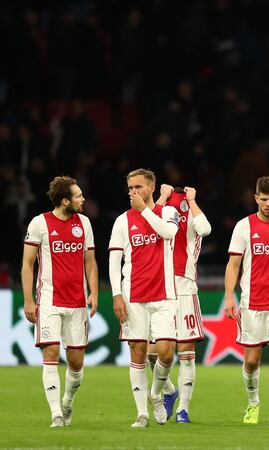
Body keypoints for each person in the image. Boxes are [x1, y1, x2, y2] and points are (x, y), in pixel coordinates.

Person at [22, 176, 98, 428]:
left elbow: (90, 262)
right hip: (49, 302)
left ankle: (67, 401)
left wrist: (94, 293)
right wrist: (29, 300)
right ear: (66, 201)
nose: (83, 199)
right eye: (78, 196)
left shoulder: (84, 223)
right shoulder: (39, 223)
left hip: (77, 304)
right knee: (51, 353)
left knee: (76, 362)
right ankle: (56, 413)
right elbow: (27, 265)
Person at [109, 168, 180, 428]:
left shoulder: (168, 212)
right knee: (138, 353)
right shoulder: (122, 221)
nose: (133, 192)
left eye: (138, 187)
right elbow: (114, 260)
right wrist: (117, 294)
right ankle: (142, 413)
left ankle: (156, 393)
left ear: (152, 188)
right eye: (130, 188)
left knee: (166, 353)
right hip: (133, 296)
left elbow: (168, 233)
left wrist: (145, 210)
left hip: (164, 295)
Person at [145, 184, 211, 423]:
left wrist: (192, 202)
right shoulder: (159, 210)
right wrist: (162, 197)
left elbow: (205, 228)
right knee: (152, 354)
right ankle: (170, 391)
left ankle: (183, 408)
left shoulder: (192, 210)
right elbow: (147, 228)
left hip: (184, 288)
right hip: (159, 288)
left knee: (186, 352)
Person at [224, 176, 269, 425]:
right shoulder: (244, 226)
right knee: (251, 362)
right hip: (251, 302)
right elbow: (233, 265)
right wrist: (229, 295)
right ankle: (253, 404)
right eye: (265, 199)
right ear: (256, 198)